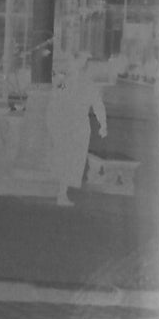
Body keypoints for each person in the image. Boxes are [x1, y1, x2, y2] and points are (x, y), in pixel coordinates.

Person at [47, 53, 109, 206]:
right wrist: (52, 124)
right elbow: (54, 102)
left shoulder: (86, 83)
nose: (73, 65)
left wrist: (103, 124)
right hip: (66, 124)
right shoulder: (64, 82)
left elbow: (97, 104)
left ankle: (62, 192)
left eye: (79, 62)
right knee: (65, 157)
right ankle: (61, 192)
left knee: (72, 159)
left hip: (78, 125)